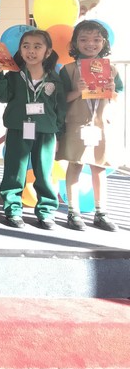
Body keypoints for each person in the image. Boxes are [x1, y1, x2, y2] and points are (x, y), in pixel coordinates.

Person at [0, 29, 66, 229]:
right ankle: (13, 209)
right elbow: (2, 97)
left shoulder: (54, 79)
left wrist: (58, 133)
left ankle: (46, 211)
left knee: (44, 173)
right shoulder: (14, 75)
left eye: (37, 46)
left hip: (46, 132)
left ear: (47, 52)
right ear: (20, 50)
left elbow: (60, 108)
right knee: (14, 171)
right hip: (18, 128)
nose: (31, 51)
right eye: (26, 46)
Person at [57, 20, 123, 232]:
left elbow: (118, 97)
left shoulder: (111, 70)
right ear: (75, 43)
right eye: (84, 39)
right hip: (77, 125)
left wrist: (112, 90)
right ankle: (73, 212)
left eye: (96, 39)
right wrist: (77, 91)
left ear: (104, 42)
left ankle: (101, 212)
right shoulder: (68, 70)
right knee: (75, 164)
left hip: (101, 125)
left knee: (99, 167)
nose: (90, 44)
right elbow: (60, 99)